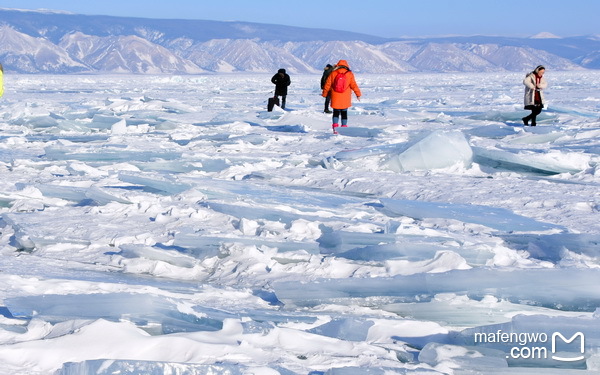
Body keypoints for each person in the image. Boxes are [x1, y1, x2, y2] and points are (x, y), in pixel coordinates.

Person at [322, 59, 361, 134]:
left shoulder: (333, 73)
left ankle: (335, 129)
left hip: (335, 96)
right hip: (345, 97)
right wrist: (358, 94)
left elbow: (327, 84)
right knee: (344, 112)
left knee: (335, 112)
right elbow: (354, 85)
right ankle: (344, 128)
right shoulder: (349, 74)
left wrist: (325, 93)